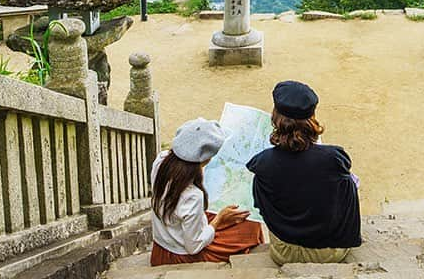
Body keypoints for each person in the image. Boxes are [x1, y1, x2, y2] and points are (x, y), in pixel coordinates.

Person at [247, 80, 361, 265]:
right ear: (312, 117)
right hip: (328, 252)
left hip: (283, 252)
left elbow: (262, 206)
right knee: (348, 182)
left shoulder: (263, 163)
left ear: (276, 118)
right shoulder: (334, 158)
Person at [150, 117, 264, 265]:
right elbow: (194, 246)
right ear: (206, 159)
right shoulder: (192, 195)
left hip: (162, 243)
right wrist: (219, 219)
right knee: (250, 228)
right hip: (179, 254)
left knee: (240, 218)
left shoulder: (161, 160)